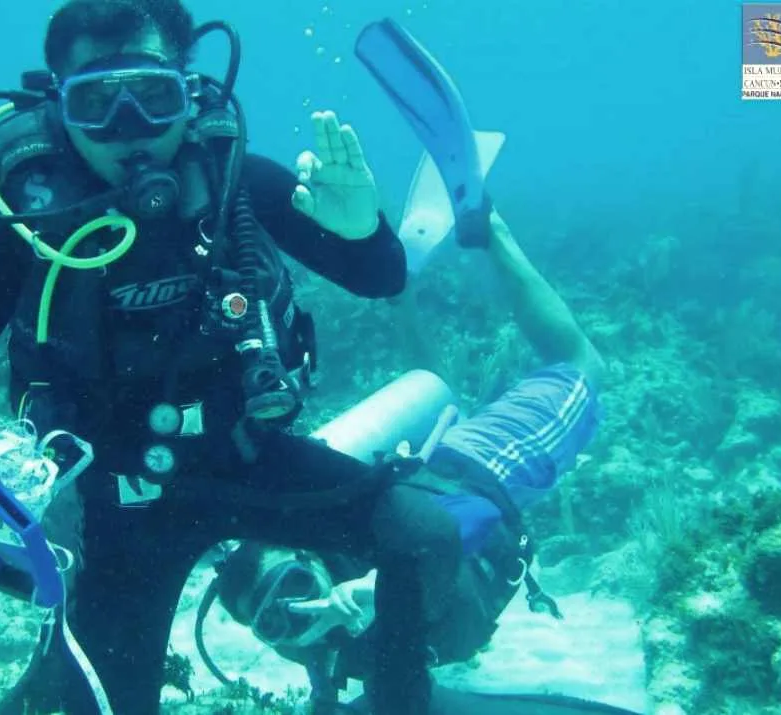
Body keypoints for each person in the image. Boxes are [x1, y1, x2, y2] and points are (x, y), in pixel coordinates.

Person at [0, 2, 475, 714]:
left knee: (421, 534)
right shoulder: (29, 215)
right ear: (57, 103)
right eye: (98, 103)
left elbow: (380, 276)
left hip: (247, 458)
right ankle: (64, 668)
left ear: (190, 89)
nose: (131, 129)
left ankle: (390, 696)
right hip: (118, 500)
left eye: (154, 95)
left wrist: (363, 229)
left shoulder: (233, 181)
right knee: (102, 701)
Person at [206, 209, 610, 714]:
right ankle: (404, 299)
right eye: (273, 622)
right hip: (430, 473)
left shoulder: (350, 538)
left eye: (296, 585)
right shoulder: (300, 642)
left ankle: (491, 231)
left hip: (483, 468)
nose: (301, 613)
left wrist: (386, 585)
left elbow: (472, 517)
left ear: (310, 555)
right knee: (442, 395)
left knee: (582, 366)